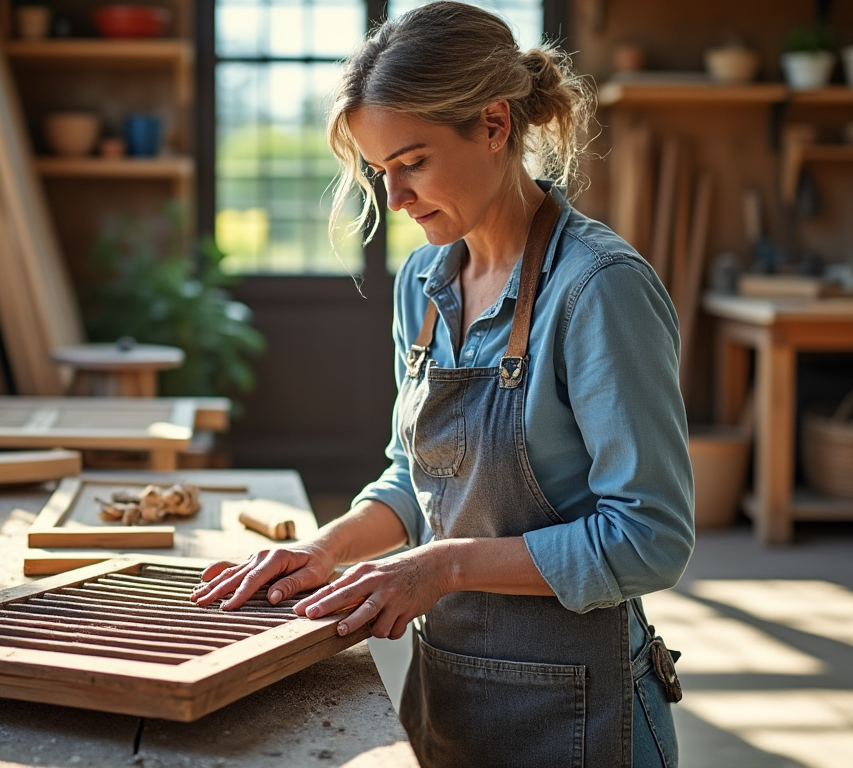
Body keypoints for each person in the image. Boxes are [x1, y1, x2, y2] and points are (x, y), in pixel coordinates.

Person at [192, 3, 694, 765]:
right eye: (378, 171)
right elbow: (416, 478)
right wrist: (326, 549)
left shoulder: (599, 289)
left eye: (413, 162)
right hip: (451, 691)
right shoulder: (424, 281)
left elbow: (649, 539)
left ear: (494, 125)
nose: (393, 199)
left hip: (584, 715)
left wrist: (442, 565)